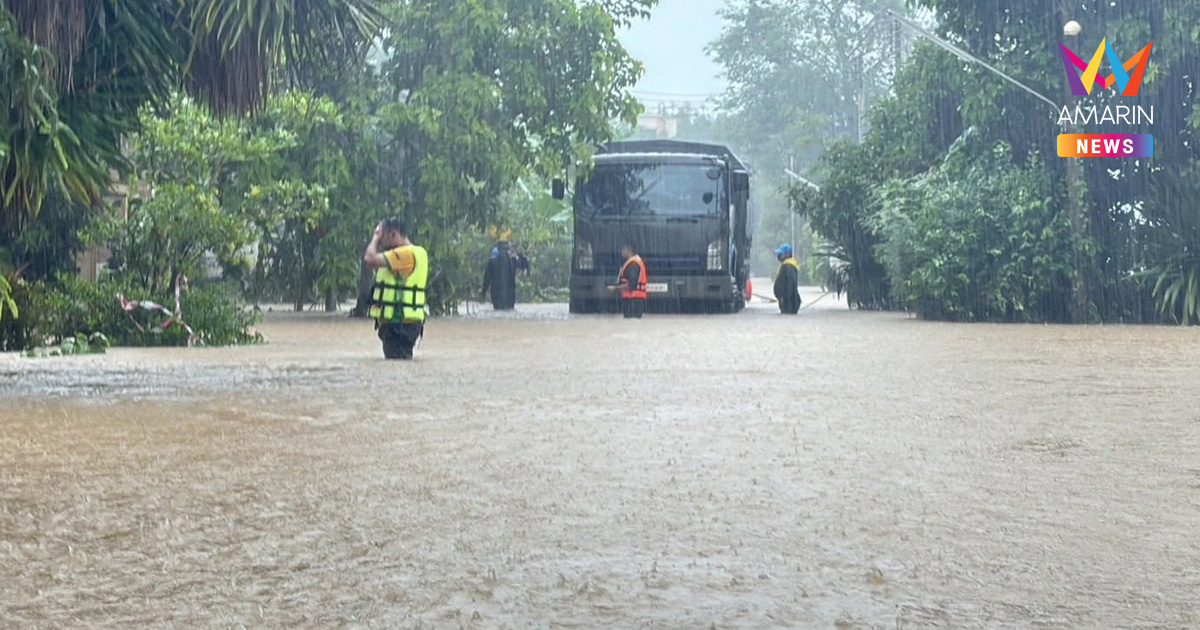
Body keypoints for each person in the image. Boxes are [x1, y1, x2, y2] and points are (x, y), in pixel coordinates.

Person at [363, 217, 428, 360]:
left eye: (383, 236)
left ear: (394, 234)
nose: (381, 241)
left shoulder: (404, 255)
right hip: (401, 324)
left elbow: (369, 259)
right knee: (399, 363)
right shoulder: (409, 254)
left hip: (399, 325)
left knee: (396, 362)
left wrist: (375, 238)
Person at [481, 240, 529, 311]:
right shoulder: (492, 262)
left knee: (509, 310)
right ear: (499, 250)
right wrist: (483, 292)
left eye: (505, 249)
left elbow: (524, 264)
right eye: (501, 249)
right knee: (498, 311)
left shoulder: (513, 260)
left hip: (509, 294)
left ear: (507, 250)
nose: (503, 252)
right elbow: (487, 278)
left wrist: (519, 254)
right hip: (496, 294)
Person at [607, 243, 647, 319]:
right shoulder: (632, 263)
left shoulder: (633, 264)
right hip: (633, 300)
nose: (621, 251)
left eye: (623, 249)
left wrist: (615, 288)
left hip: (633, 300)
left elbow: (632, 285)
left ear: (629, 250)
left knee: (632, 321)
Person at [773, 243, 802, 315]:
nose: (779, 256)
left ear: (787, 254)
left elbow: (790, 287)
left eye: (781, 254)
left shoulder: (789, 267)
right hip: (786, 304)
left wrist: (787, 302)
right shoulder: (786, 266)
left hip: (788, 305)